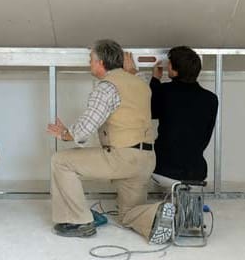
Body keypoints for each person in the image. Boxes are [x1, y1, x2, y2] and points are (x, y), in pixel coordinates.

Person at [47, 39, 174, 244]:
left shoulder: (106, 87)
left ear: (101, 63)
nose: (89, 63)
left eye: (91, 59)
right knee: (127, 215)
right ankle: (158, 214)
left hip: (122, 158)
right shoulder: (141, 84)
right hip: (146, 160)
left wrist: (64, 133)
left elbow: (84, 129)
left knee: (60, 161)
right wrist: (132, 72)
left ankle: (78, 221)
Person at [124, 46, 218, 188]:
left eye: (169, 64)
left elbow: (149, 110)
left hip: (163, 169)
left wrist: (151, 79)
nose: (167, 66)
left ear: (174, 71)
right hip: (196, 172)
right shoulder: (211, 99)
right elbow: (205, 136)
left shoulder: (165, 92)